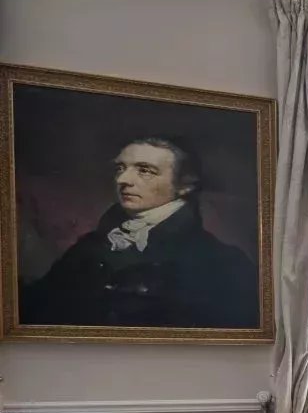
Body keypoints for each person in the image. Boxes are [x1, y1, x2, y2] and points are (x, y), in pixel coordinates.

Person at [20, 137, 259, 330]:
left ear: (185, 185)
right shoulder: (89, 247)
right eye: (120, 169)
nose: (124, 180)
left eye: (145, 171)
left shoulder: (223, 261)